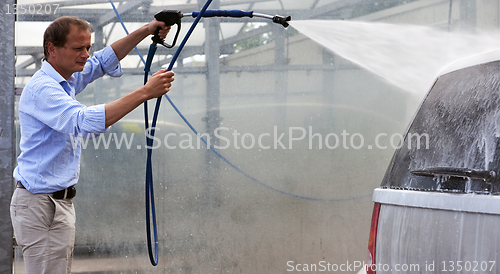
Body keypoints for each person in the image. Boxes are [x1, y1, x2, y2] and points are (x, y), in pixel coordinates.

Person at [10, 16, 174, 274]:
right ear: (52, 49)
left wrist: (147, 29)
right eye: (78, 48)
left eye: (88, 47)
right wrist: (145, 92)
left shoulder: (66, 79)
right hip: (41, 205)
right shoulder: (43, 88)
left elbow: (101, 61)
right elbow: (82, 121)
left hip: (55, 202)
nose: (86, 54)